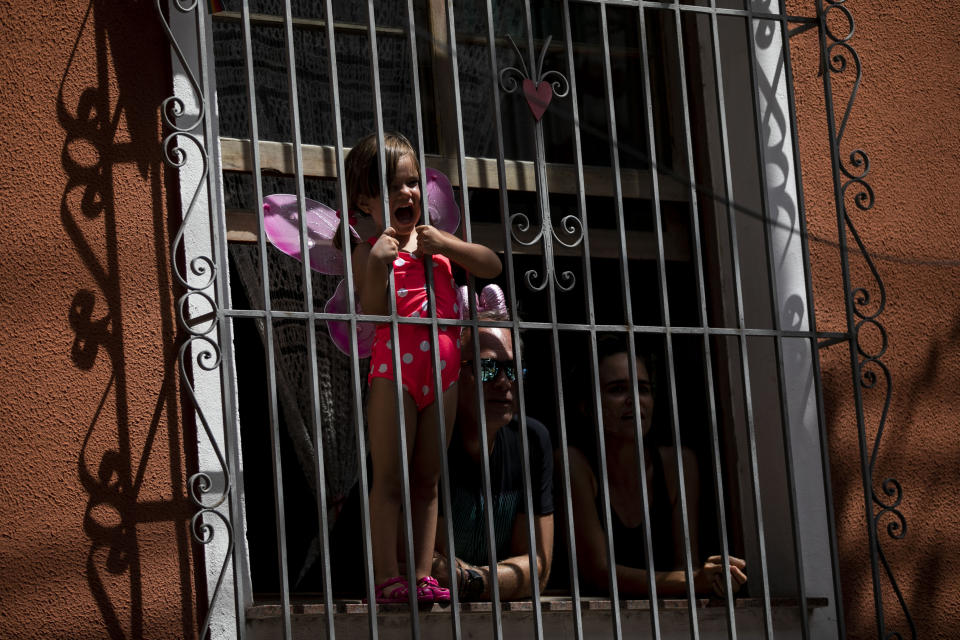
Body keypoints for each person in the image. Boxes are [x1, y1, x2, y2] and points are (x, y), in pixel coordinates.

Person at [344, 132, 501, 603]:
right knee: (391, 477)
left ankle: (420, 573)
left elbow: (491, 265)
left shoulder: (438, 245)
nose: (407, 193)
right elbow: (371, 315)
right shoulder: (369, 249)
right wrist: (375, 263)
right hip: (395, 370)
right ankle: (387, 575)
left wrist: (448, 244)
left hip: (446, 372)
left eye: (412, 183)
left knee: (429, 477)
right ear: (367, 201)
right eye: (393, 186)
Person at [565, 335, 747, 598]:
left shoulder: (679, 465)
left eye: (643, 388)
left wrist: (715, 577)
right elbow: (599, 573)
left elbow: (685, 564)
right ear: (587, 406)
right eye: (617, 389)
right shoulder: (573, 464)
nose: (634, 399)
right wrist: (696, 581)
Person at [431, 302, 554, 601]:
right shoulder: (430, 441)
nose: (503, 382)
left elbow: (538, 568)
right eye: (487, 368)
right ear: (450, 372)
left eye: (512, 369)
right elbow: (427, 567)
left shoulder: (532, 440)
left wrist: (471, 581)